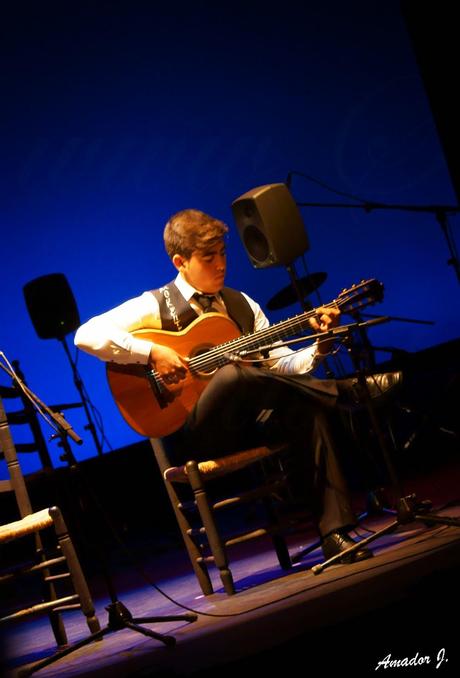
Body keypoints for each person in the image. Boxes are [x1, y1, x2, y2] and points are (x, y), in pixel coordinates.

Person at [75, 208, 400, 563]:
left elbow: (281, 367)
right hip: (193, 431)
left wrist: (319, 348)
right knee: (233, 373)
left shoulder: (241, 304)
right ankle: (346, 392)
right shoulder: (154, 304)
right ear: (180, 261)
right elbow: (86, 335)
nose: (220, 265)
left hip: (251, 423)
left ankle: (335, 535)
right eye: (208, 257)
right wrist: (152, 351)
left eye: (223, 254)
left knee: (303, 407)